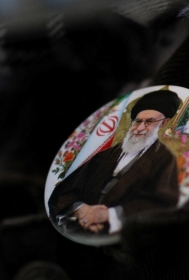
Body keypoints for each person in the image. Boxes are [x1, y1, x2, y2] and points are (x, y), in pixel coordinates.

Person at [48, 89, 181, 234]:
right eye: (137, 121)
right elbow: (65, 190)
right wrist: (81, 210)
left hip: (123, 232)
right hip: (78, 224)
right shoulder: (106, 155)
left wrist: (110, 215)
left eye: (149, 122)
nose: (140, 128)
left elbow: (161, 202)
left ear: (163, 123)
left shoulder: (164, 158)